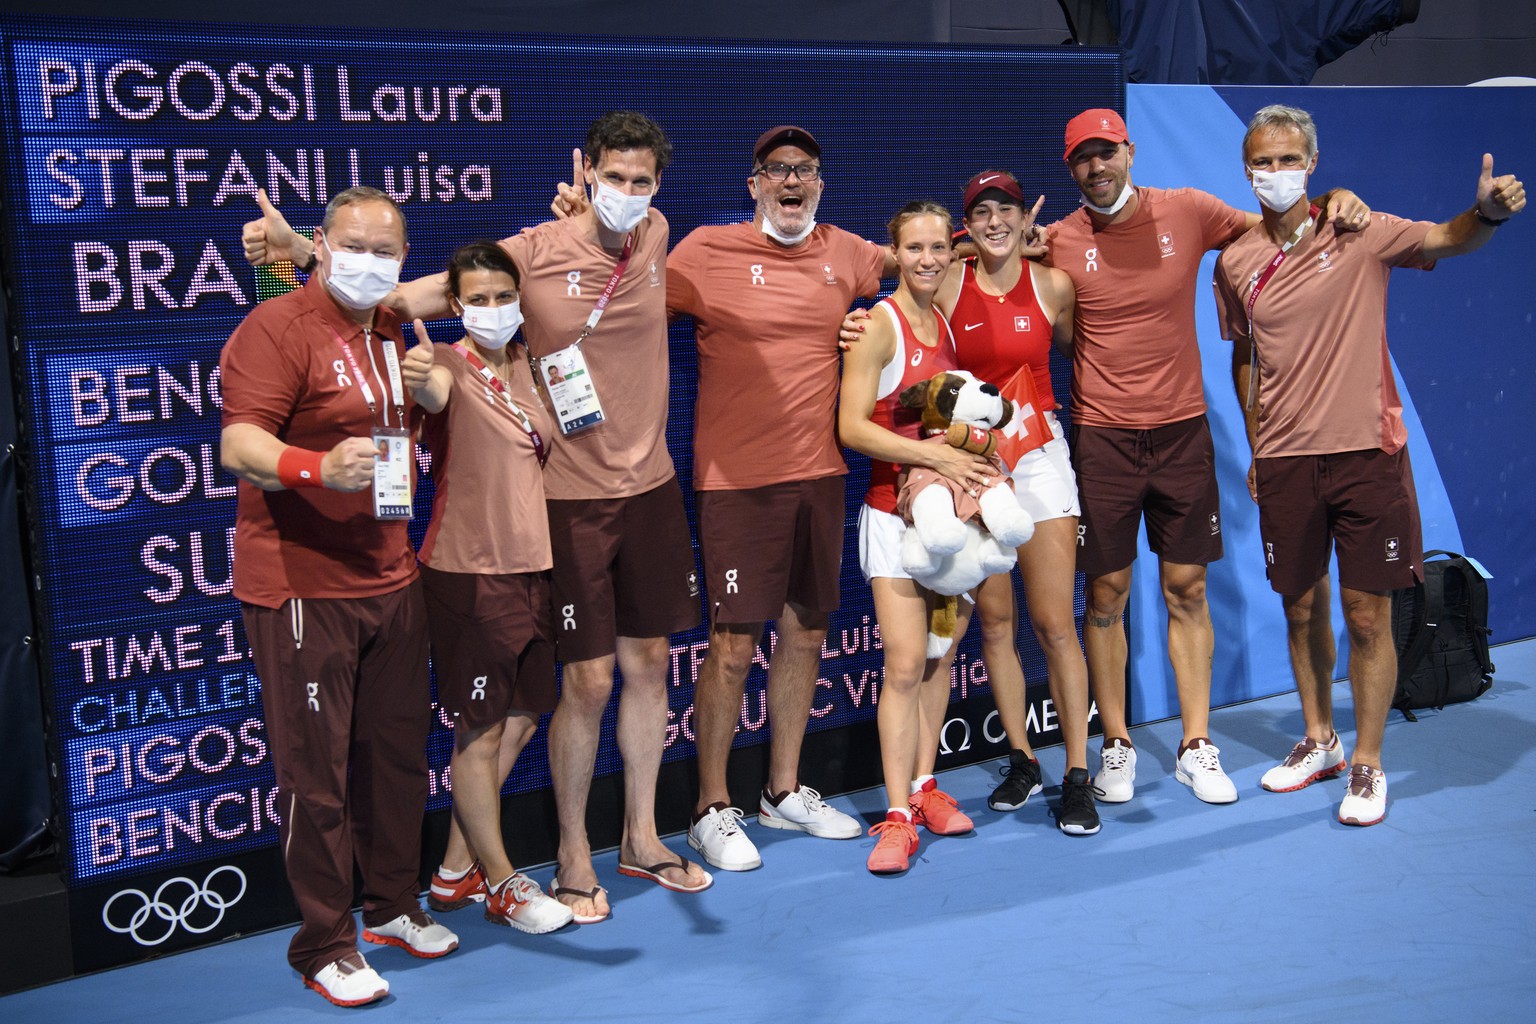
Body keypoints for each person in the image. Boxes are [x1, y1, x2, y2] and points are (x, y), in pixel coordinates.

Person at [242, 111, 709, 924]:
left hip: (654, 487)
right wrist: (300, 266)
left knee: (647, 665)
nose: (629, 195)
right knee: (580, 684)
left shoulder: (657, 232)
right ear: (586, 168)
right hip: (564, 501)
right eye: (615, 178)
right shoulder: (529, 252)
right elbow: (414, 296)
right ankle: (564, 856)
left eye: (643, 182)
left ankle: (639, 836)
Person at [1044, 108, 1370, 814]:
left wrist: (1334, 202)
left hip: (1183, 435)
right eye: (1082, 159)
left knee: (1186, 589)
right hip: (1101, 438)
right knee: (1105, 598)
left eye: (1107, 153)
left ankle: (1196, 745)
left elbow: (1276, 228)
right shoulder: (1059, 242)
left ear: (1130, 153)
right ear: (1071, 168)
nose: (1097, 167)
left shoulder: (1188, 212)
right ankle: (1118, 744)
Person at [1213, 104, 1525, 826]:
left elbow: (1449, 237)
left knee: (1366, 616)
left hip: (1366, 454)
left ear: (1312, 164)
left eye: (1291, 159)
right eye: (1264, 161)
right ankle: (1318, 738)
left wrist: (1486, 214)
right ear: (1247, 170)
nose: (1277, 173)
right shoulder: (1234, 263)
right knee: (1298, 607)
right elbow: (1245, 357)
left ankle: (1367, 761)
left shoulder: (1359, 227)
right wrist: (1258, 444)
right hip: (1286, 459)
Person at [220, 186, 456, 1008]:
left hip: (391, 577)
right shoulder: (274, 326)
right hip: (302, 588)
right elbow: (238, 444)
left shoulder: (392, 326)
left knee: (394, 760)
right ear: (320, 245)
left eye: (385, 250)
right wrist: (316, 468)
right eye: (351, 245)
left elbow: (476, 284)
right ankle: (324, 942)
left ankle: (392, 906)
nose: (369, 261)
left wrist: (429, 398)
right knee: (315, 776)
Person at [842, 170, 1092, 832]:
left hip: (1011, 470)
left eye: (1004, 209)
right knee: (954, 642)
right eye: (980, 212)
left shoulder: (1042, 285)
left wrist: (1047, 239)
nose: (994, 221)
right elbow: (862, 409)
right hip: (941, 482)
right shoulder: (927, 297)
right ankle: (995, 769)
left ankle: (1072, 775)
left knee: (1021, 631)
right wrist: (853, 326)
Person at [663, 126, 881, 872]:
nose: (793, 181)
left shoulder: (850, 255)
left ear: (821, 182)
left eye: (807, 170)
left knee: (808, 631)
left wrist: (871, 321)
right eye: (778, 170)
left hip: (820, 474)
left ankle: (783, 791)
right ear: (753, 182)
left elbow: (924, 274)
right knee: (732, 646)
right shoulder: (702, 252)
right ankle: (710, 807)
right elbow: (623, 309)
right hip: (734, 483)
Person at [406, 243, 574, 934]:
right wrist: (419, 378)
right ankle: (502, 884)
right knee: (477, 734)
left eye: (503, 297)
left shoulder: (537, 368)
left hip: (531, 566)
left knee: (525, 715)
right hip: (466, 571)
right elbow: (431, 396)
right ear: (455, 306)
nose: (493, 310)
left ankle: (453, 872)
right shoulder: (445, 362)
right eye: (477, 299)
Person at [838, 201, 1000, 874]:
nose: (929, 258)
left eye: (940, 247)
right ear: (894, 252)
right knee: (904, 665)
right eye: (916, 248)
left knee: (939, 658)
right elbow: (851, 428)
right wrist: (937, 460)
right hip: (890, 518)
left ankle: (925, 784)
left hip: (951, 524)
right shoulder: (879, 323)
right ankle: (897, 817)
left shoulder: (945, 322)